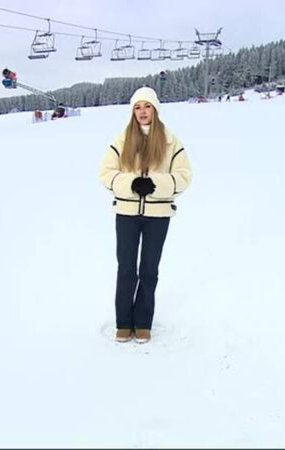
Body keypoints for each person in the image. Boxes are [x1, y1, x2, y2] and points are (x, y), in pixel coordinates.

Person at [98, 86, 192, 344]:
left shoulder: (172, 141)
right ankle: (123, 323)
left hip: (158, 215)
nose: (142, 112)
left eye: (147, 106)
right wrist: (130, 184)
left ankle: (143, 322)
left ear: (155, 110)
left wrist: (155, 184)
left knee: (149, 269)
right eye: (138, 107)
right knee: (126, 268)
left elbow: (184, 177)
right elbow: (105, 173)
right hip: (127, 213)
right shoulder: (122, 140)